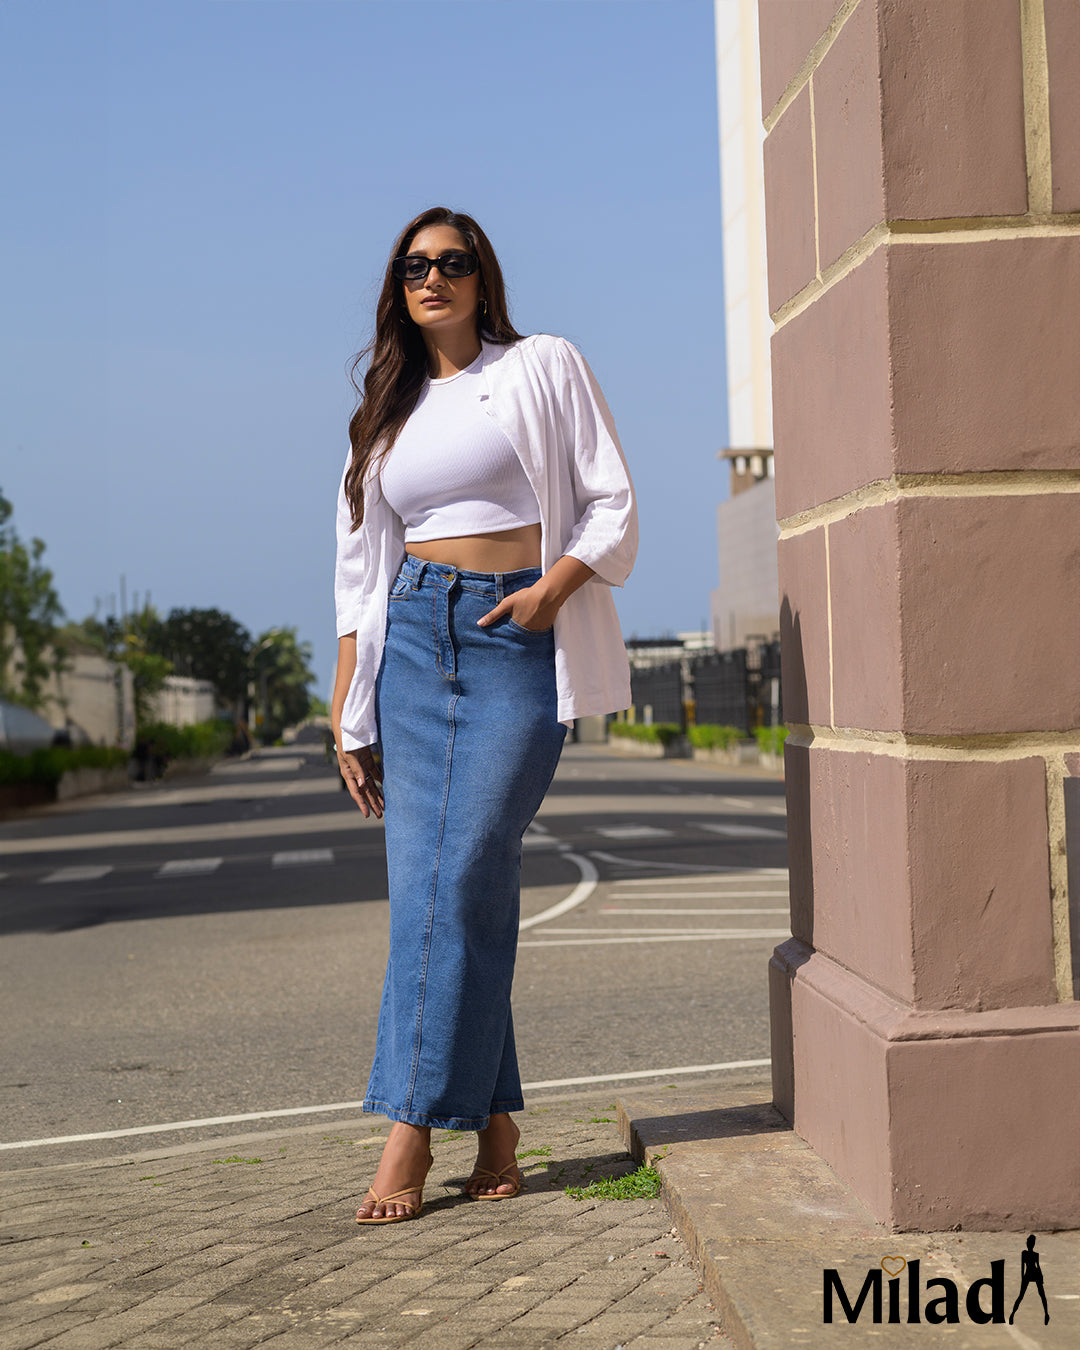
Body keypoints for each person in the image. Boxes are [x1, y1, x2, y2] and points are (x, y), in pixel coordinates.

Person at [331, 207, 637, 1224]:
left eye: (452, 262)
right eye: (414, 266)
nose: (434, 278)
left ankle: (410, 1127)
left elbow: (612, 500)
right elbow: (360, 572)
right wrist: (349, 708)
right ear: (398, 287)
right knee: (446, 890)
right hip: (414, 643)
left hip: (515, 638)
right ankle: (496, 1124)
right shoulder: (385, 413)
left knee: (457, 874)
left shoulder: (541, 365)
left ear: (482, 277)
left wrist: (553, 589)